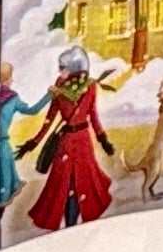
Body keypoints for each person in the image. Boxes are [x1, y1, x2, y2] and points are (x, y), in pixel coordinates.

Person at [18, 46, 116, 231]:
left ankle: (73, 227)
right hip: (66, 142)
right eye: (60, 67)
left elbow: (93, 115)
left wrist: (102, 139)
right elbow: (51, 115)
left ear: (74, 68)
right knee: (62, 185)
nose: (59, 71)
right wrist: (34, 141)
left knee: (81, 184)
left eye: (63, 67)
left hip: (82, 142)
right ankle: (67, 225)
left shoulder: (89, 86)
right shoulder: (59, 86)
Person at [0, 69, 42, 211]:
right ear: (5, 80)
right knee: (4, 177)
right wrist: (49, 95)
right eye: (9, 78)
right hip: (1, 143)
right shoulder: (12, 98)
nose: (11, 81)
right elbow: (33, 110)